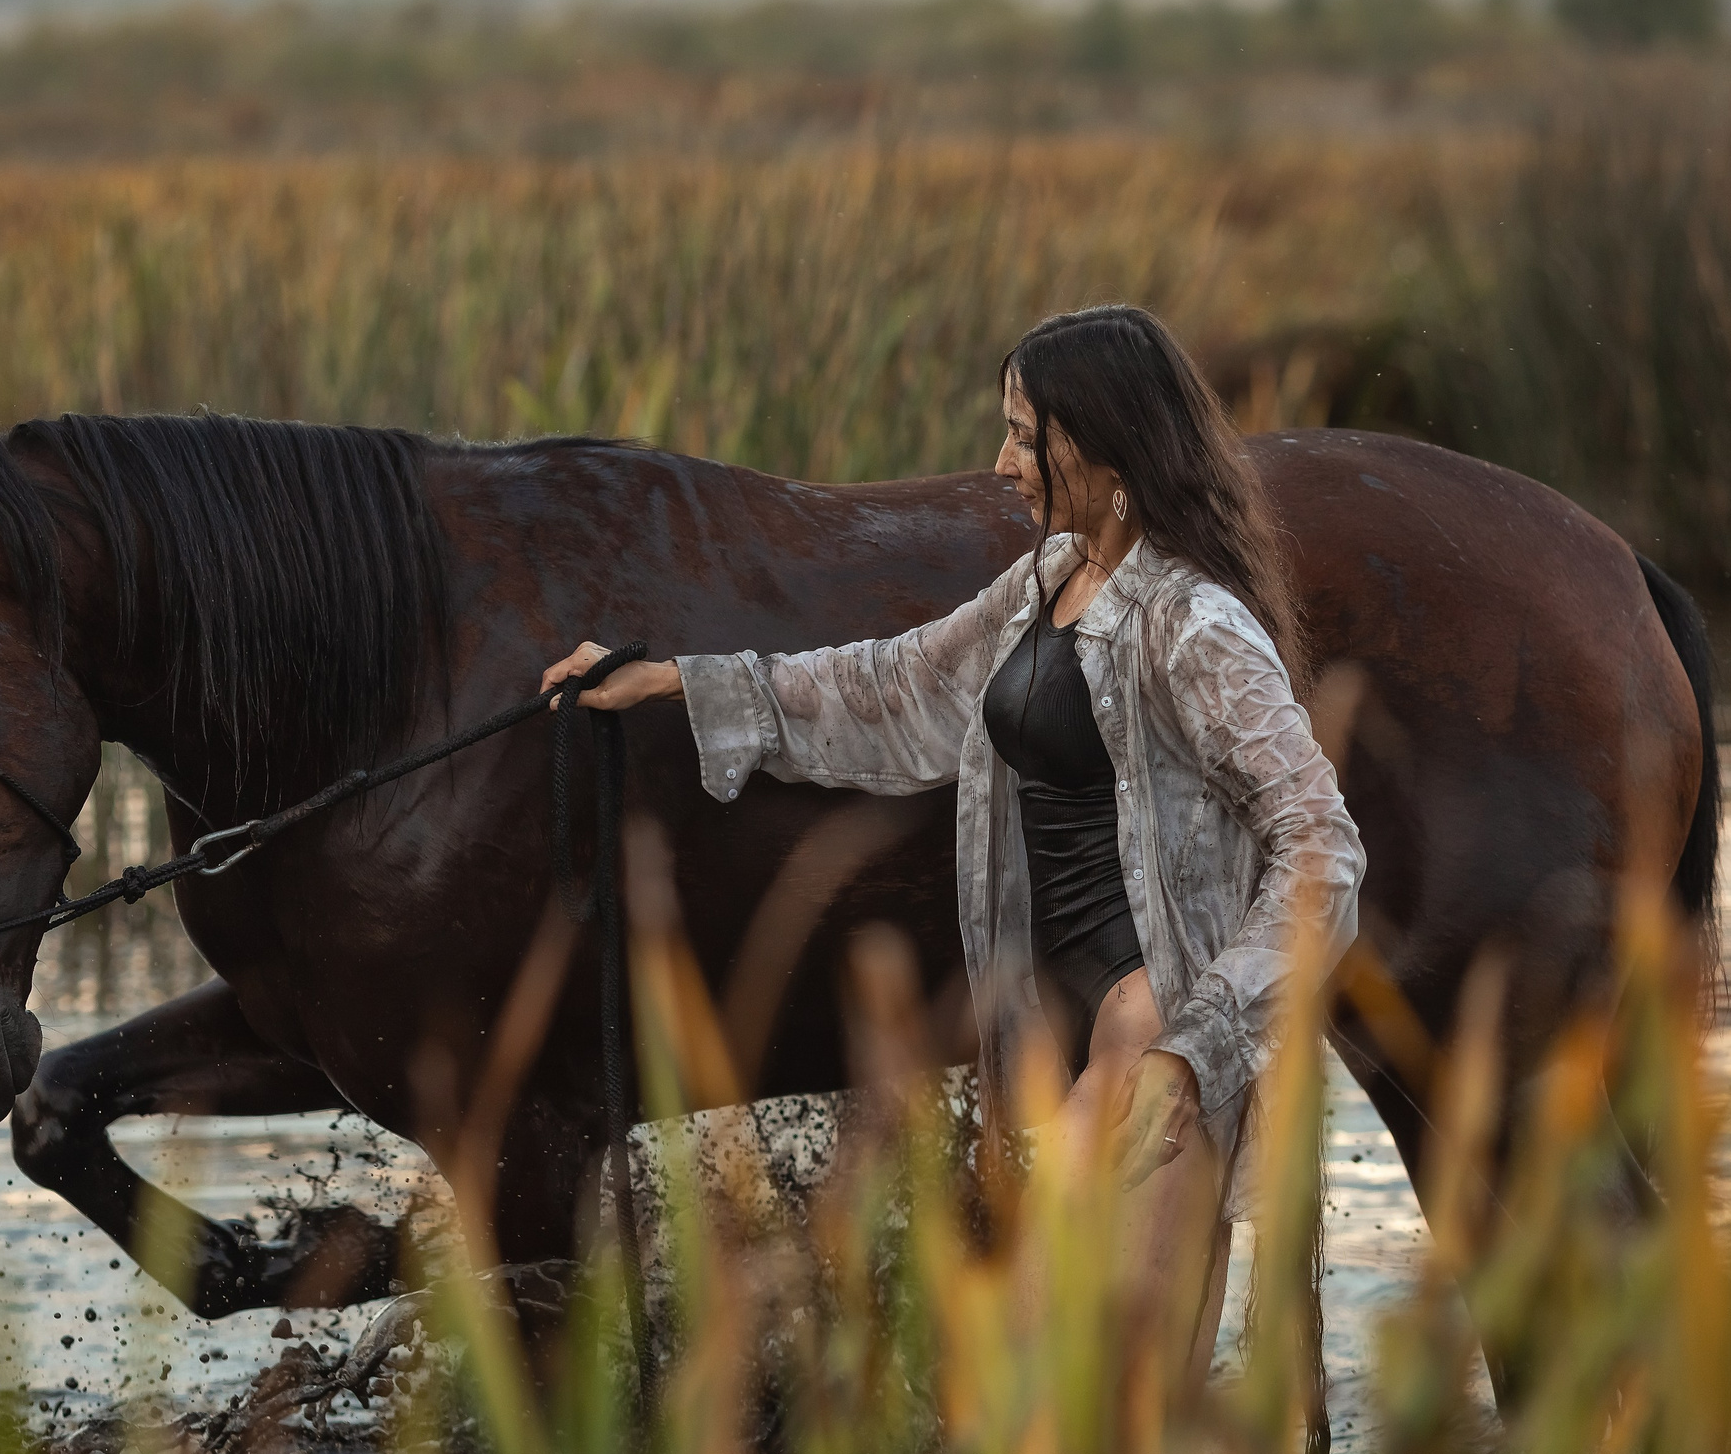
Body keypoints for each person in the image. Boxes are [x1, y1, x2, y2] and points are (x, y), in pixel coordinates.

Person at [540, 302, 1364, 1397]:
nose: (1001, 463)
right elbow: (892, 687)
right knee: (1082, 1447)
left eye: (1027, 435)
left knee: (1047, 1426)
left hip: (1147, 1043)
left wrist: (1196, 1049)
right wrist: (676, 685)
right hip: (1063, 1041)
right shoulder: (1047, 584)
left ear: (1106, 446)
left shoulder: (1192, 624)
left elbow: (1321, 848)